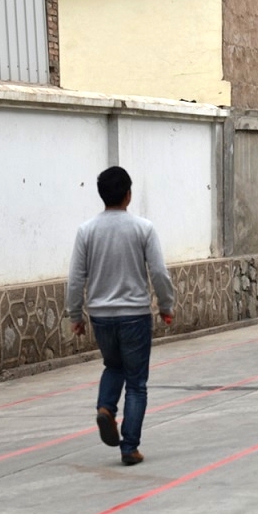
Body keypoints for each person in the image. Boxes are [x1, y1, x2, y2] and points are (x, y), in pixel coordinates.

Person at [66, 166, 176, 467]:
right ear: (128, 194)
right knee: (137, 383)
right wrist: (166, 306)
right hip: (135, 314)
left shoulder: (86, 230)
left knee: (113, 366)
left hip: (101, 316)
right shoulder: (143, 228)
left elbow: (76, 278)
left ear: (102, 195)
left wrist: (75, 314)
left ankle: (105, 408)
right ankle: (129, 447)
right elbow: (158, 272)